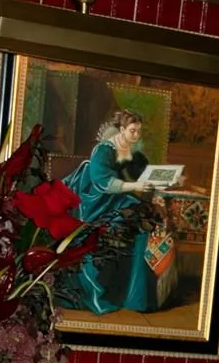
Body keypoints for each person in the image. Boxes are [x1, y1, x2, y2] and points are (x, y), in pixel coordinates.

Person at [59, 110, 170, 315]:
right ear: (121, 129)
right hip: (95, 204)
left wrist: (158, 187)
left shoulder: (134, 153)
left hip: (119, 200)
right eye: (132, 131)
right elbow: (103, 183)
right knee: (132, 222)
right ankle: (109, 294)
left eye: (139, 131)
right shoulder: (104, 150)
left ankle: (136, 298)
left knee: (146, 223)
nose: (136, 135)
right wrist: (136, 186)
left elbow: (145, 177)